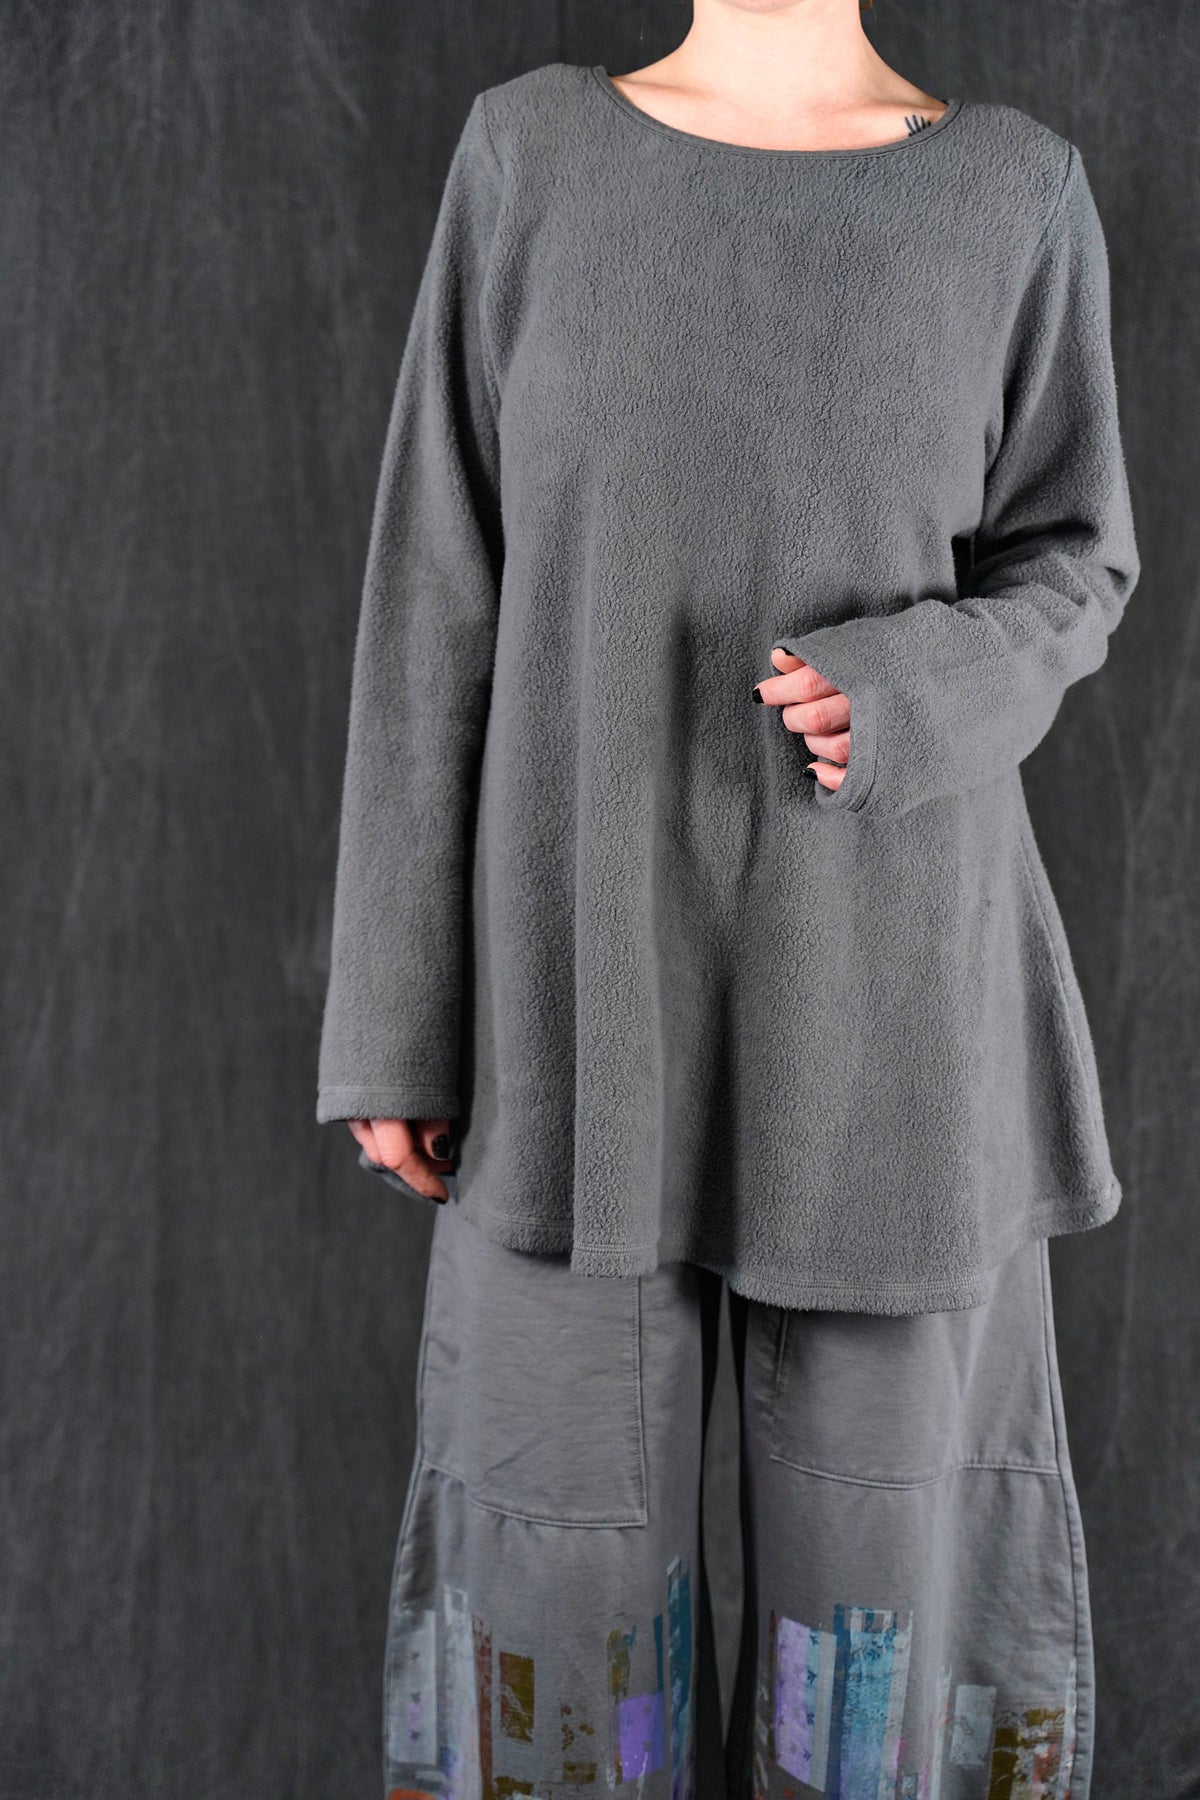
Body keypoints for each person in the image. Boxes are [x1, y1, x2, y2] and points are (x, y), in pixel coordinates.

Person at [315, 5, 1140, 1795]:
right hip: (572, 1007)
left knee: (882, 1638)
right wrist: (397, 1010)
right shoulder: (531, 158)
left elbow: (1079, 560)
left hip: (892, 1010)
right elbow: (435, 591)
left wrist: (915, 688)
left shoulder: (1012, 193)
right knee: (547, 1608)